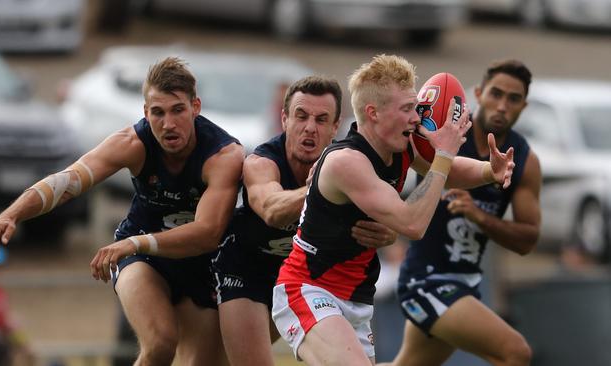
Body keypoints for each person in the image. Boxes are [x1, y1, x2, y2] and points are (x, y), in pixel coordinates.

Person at [0, 57, 244, 365]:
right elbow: (68, 181)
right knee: (160, 343)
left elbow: (208, 234)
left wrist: (133, 243)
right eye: (158, 112)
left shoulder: (223, 155)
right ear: (145, 112)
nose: (168, 124)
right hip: (142, 255)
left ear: (195, 107)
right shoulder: (132, 142)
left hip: (198, 260)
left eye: (178, 110)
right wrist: (10, 215)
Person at [271, 54, 516, 366]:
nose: (416, 117)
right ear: (373, 113)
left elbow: (447, 170)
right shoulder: (347, 162)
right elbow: (413, 223)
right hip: (308, 289)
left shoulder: (402, 146)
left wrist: (488, 171)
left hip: (356, 297)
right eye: (407, 109)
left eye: (415, 106)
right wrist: (443, 154)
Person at [212, 75, 397, 366]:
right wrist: (317, 190)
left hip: (308, 279)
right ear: (284, 119)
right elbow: (271, 210)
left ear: (336, 127)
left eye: (322, 119)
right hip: (246, 272)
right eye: (301, 116)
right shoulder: (261, 163)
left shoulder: (349, 165)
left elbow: (385, 216)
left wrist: (389, 232)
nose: (310, 127)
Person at [387, 59, 540, 366]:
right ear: (479, 94)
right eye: (496, 94)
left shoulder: (523, 159)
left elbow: (528, 240)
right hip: (426, 279)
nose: (502, 105)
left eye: (513, 99)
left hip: (465, 282)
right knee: (515, 352)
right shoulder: (448, 134)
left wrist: (479, 216)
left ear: (524, 106)